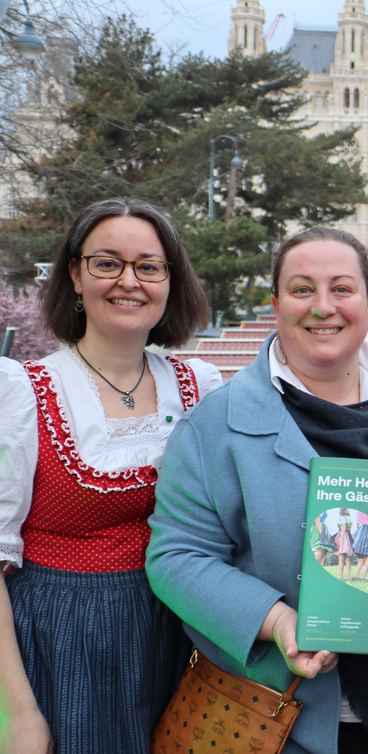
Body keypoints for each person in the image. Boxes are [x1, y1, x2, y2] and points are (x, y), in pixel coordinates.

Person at [146, 226, 368, 754]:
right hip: (288, 720)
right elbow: (176, 557)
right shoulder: (215, 424)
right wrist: (277, 620)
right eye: (302, 289)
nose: (323, 306)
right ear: (277, 304)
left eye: (342, 289)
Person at [0, 197, 217, 753]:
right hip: (63, 641)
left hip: (182, 638)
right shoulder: (25, 393)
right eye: (107, 262)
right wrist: (22, 713)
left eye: (149, 265)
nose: (129, 281)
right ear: (75, 274)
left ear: (171, 280)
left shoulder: (203, 385)